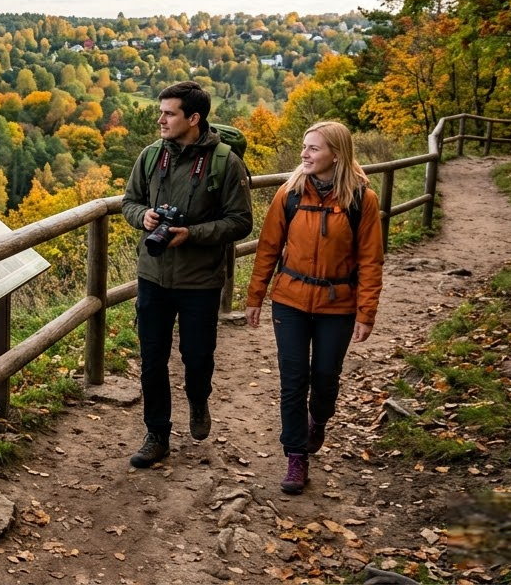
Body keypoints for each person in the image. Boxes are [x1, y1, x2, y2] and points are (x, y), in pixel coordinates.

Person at [245, 121, 384, 495]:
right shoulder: (289, 193)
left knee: (324, 377)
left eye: (314, 149)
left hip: (337, 304)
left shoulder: (361, 200)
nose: (304, 154)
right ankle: (296, 455)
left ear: (335, 155)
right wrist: (255, 297)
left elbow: (371, 260)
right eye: (304, 147)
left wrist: (365, 312)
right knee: (293, 380)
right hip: (290, 299)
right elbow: (268, 248)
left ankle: (318, 420)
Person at [121, 81, 253, 469]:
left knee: (196, 357)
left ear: (193, 118)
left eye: (169, 113)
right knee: (151, 360)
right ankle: (157, 433)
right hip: (153, 276)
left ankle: (198, 399)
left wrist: (192, 235)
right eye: (161, 111)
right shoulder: (149, 157)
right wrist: (141, 217)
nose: (160, 119)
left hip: (200, 280)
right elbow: (129, 200)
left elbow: (241, 222)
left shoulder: (224, 162)